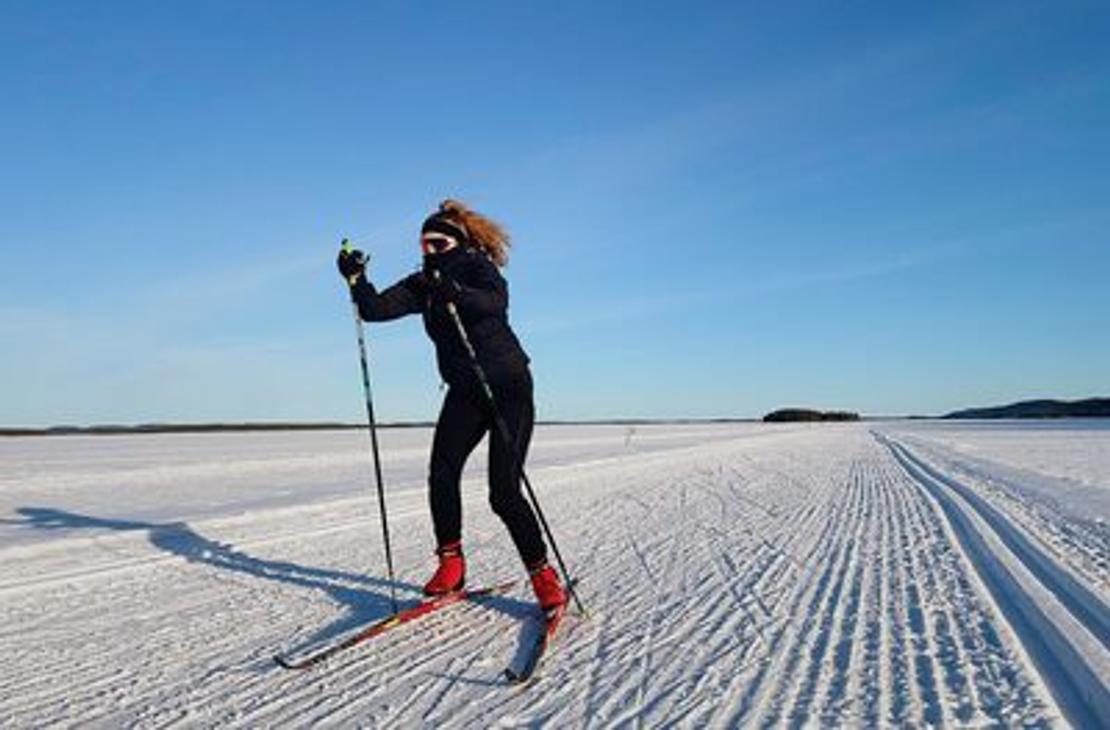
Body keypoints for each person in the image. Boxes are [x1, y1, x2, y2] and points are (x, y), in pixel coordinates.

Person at [336, 199, 567, 611]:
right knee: (442, 472)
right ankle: (451, 565)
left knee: (503, 492)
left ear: (458, 243)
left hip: (508, 388)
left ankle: (543, 576)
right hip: (465, 391)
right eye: (423, 245)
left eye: (437, 244)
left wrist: (456, 292)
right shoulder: (422, 284)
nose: (428, 252)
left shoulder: (479, 269)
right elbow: (374, 311)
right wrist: (356, 280)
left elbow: (493, 303)